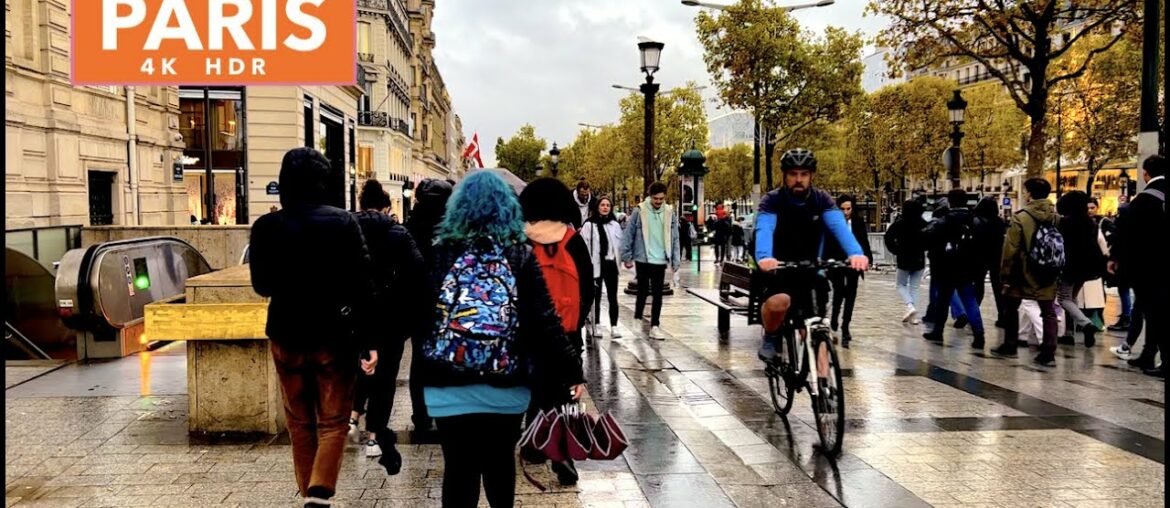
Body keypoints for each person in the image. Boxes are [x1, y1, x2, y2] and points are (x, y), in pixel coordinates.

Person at [421, 171, 586, 507]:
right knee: (499, 466)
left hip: (447, 385)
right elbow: (545, 323)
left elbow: (422, 318)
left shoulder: (439, 254)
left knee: (458, 471)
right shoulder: (519, 256)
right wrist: (573, 370)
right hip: (506, 385)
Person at [250, 147, 379, 508]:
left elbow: (261, 285)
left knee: (299, 420)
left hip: (286, 332)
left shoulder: (265, 227)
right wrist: (369, 339)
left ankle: (309, 490)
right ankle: (320, 492)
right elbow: (362, 283)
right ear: (323, 182)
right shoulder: (342, 223)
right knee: (334, 419)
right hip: (334, 334)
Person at [753, 149, 868, 361]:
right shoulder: (772, 201)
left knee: (817, 329)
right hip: (780, 270)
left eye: (804, 174)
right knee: (779, 301)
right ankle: (770, 336)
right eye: (793, 174)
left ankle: (824, 387)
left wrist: (856, 253)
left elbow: (839, 226)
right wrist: (764, 257)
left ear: (811, 176)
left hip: (812, 271)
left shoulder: (821, 200)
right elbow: (764, 229)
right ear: (785, 175)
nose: (799, 179)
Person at [348, 180, 427, 474]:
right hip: (390, 317)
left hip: (355, 315)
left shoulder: (347, 228)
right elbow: (417, 271)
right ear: (386, 207)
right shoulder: (397, 232)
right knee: (386, 378)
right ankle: (374, 437)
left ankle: (351, 418)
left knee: (360, 367)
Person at [991, 178, 1061, 366]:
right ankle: (1048, 352)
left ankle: (1010, 344)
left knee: (1011, 306)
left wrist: (1005, 275)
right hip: (1048, 270)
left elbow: (1011, 248)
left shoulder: (1020, 217)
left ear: (1029, 193)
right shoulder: (1056, 217)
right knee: (1048, 312)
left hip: (1023, 271)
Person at [1108, 154, 1167, 377]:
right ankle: (1148, 353)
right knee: (1150, 309)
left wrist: (1115, 258)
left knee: (1154, 313)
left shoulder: (1144, 200)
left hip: (1147, 267)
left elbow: (1127, 235)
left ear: (1145, 173)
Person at [403, 178, 454, 433]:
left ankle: (421, 415)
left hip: (417, 303)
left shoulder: (409, 227)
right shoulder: (453, 230)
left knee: (420, 361)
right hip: (446, 305)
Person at [922, 189, 986, 348]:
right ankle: (979, 335)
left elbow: (926, 238)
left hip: (945, 266)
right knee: (970, 301)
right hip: (967, 267)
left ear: (950, 202)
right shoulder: (975, 221)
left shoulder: (943, 221)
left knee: (943, 299)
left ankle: (938, 331)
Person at [620, 182, 681, 340]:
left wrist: (675, 260)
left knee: (658, 294)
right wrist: (626, 256)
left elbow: (675, 237)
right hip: (643, 256)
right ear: (650, 196)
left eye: (661, 199)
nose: (658, 202)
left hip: (660, 257)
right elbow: (629, 233)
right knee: (642, 290)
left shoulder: (669, 212)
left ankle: (655, 325)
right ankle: (637, 318)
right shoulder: (639, 210)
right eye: (656, 199)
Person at [1054, 191, 1106, 347]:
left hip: (1070, 265)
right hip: (1087, 266)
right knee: (1073, 298)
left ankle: (1086, 324)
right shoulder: (1090, 222)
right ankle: (1069, 333)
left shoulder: (1065, 223)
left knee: (1063, 298)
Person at [823, 195, 873, 347]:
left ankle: (845, 326)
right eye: (842, 209)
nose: (845, 212)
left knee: (851, 294)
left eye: (848, 209)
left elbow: (864, 241)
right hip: (837, 262)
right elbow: (827, 243)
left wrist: (868, 258)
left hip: (854, 263)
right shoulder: (832, 223)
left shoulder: (858, 222)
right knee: (839, 292)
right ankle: (834, 318)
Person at [582, 196, 624, 339]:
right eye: (602, 205)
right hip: (595, 264)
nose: (605, 207)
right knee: (596, 296)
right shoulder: (589, 225)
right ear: (597, 207)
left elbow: (619, 245)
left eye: (608, 205)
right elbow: (584, 246)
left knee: (613, 296)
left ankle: (614, 326)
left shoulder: (614, 225)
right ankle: (597, 324)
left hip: (611, 264)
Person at [885, 200, 928, 324]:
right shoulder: (923, 224)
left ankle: (910, 306)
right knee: (914, 287)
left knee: (900, 285)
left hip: (904, 258)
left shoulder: (900, 223)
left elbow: (888, 237)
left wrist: (895, 249)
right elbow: (929, 238)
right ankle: (913, 317)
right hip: (919, 258)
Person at [973, 196, 1008, 327]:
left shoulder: (976, 221)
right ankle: (1002, 316)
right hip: (996, 257)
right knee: (998, 288)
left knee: (977, 286)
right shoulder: (999, 222)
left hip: (979, 257)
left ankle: (973, 313)